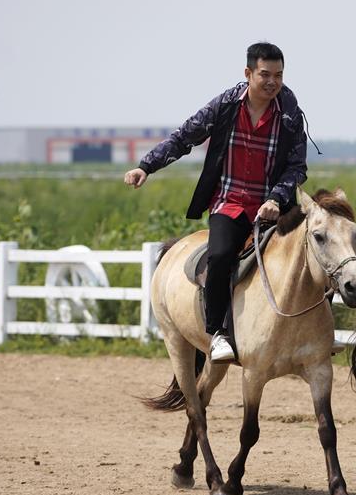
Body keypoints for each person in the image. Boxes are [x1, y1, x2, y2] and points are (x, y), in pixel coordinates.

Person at [123, 42, 308, 362]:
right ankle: (218, 332)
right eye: (265, 74)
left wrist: (277, 198)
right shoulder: (224, 106)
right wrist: (146, 166)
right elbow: (184, 137)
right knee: (221, 255)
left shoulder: (290, 114)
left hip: (272, 205)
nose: (272, 82)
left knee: (318, 248)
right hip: (229, 202)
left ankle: (313, 333)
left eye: (278, 75)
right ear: (248, 73)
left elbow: (297, 166)